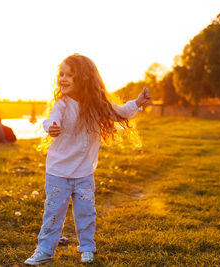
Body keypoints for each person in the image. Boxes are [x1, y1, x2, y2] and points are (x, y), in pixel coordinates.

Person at [24, 54, 151, 265]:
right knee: (53, 214)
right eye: (61, 74)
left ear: (83, 78)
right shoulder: (62, 104)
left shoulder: (97, 105)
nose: (63, 79)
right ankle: (45, 250)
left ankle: (87, 248)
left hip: (83, 173)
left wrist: (137, 103)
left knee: (86, 213)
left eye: (70, 75)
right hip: (58, 172)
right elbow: (51, 119)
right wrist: (51, 127)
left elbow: (119, 113)